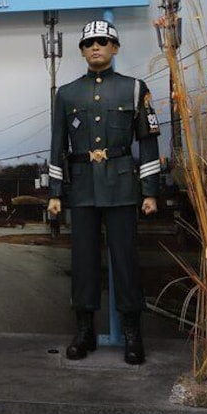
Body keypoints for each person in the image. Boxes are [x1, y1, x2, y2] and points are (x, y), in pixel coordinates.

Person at [47, 19, 160, 365]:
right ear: (82, 51)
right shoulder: (66, 94)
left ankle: (132, 333)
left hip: (123, 187)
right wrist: (55, 192)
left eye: (103, 41)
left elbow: (148, 142)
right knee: (83, 263)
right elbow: (57, 146)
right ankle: (84, 332)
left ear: (115, 48)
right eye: (89, 43)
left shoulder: (134, 88)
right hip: (81, 189)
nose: (96, 47)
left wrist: (150, 191)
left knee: (125, 262)